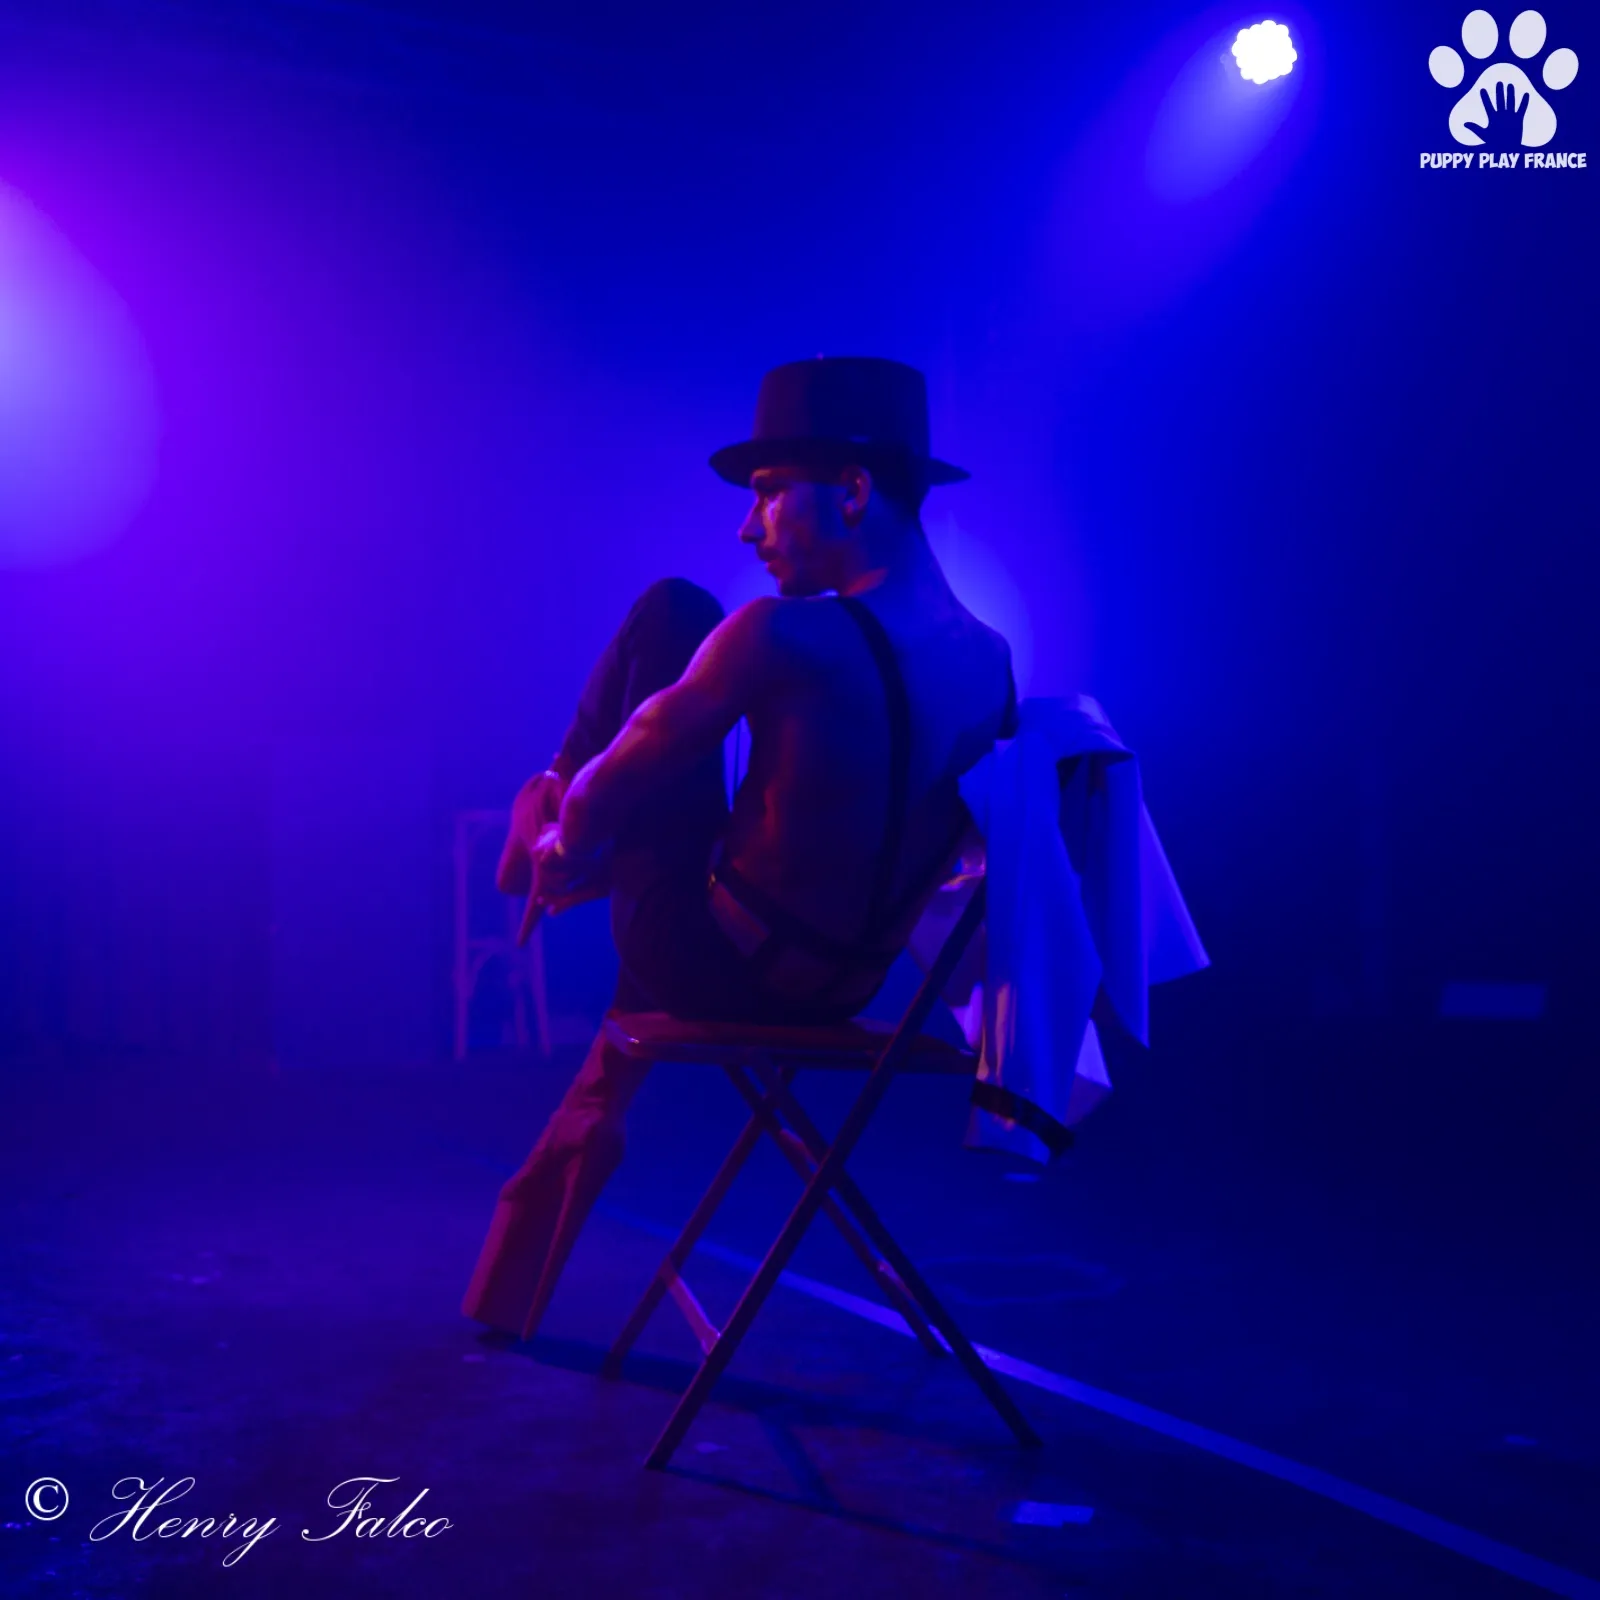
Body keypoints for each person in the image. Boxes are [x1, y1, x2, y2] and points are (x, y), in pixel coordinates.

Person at [462, 356, 1017, 1339]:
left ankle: (530, 825)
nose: (747, 528)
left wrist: (562, 839)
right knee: (726, 797)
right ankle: (586, 1055)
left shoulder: (780, 637)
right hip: (850, 992)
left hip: (708, 967)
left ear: (852, 492)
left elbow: (620, 777)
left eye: (767, 493)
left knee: (673, 612)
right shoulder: (993, 665)